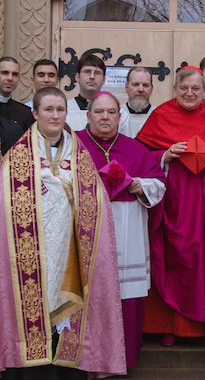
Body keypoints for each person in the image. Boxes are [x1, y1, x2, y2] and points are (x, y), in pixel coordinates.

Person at [0, 87, 126, 379]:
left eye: (60, 110)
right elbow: (2, 212)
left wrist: (66, 193)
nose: (55, 115)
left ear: (67, 114)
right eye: (48, 110)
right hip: (27, 258)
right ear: (35, 114)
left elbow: (96, 209)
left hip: (69, 254)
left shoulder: (81, 158)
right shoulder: (16, 160)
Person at [136, 67, 205, 346]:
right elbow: (141, 155)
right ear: (174, 89)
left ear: (204, 90)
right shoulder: (161, 115)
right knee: (173, 257)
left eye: (195, 89)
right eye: (184, 88)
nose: (189, 93)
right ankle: (170, 326)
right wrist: (165, 154)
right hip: (173, 201)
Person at [75, 92, 167, 367]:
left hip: (128, 228)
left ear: (119, 116)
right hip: (85, 229)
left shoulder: (135, 148)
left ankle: (123, 356)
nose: (105, 117)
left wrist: (141, 185)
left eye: (111, 112)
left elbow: (159, 184)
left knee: (126, 293)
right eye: (99, 112)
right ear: (88, 115)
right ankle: (87, 357)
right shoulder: (73, 144)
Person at [67, 54, 106, 131]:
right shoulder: (65, 108)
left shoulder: (114, 111)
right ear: (77, 77)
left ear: (103, 80)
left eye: (97, 73)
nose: (92, 76)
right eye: (87, 72)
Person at [0, 56, 37, 128]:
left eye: (15, 74)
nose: (10, 78)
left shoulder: (25, 112)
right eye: (5, 73)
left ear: (19, 78)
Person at [118, 67, 155, 138]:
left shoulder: (159, 116)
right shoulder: (116, 114)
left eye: (145, 85)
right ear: (126, 87)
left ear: (151, 89)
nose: (141, 89)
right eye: (135, 84)